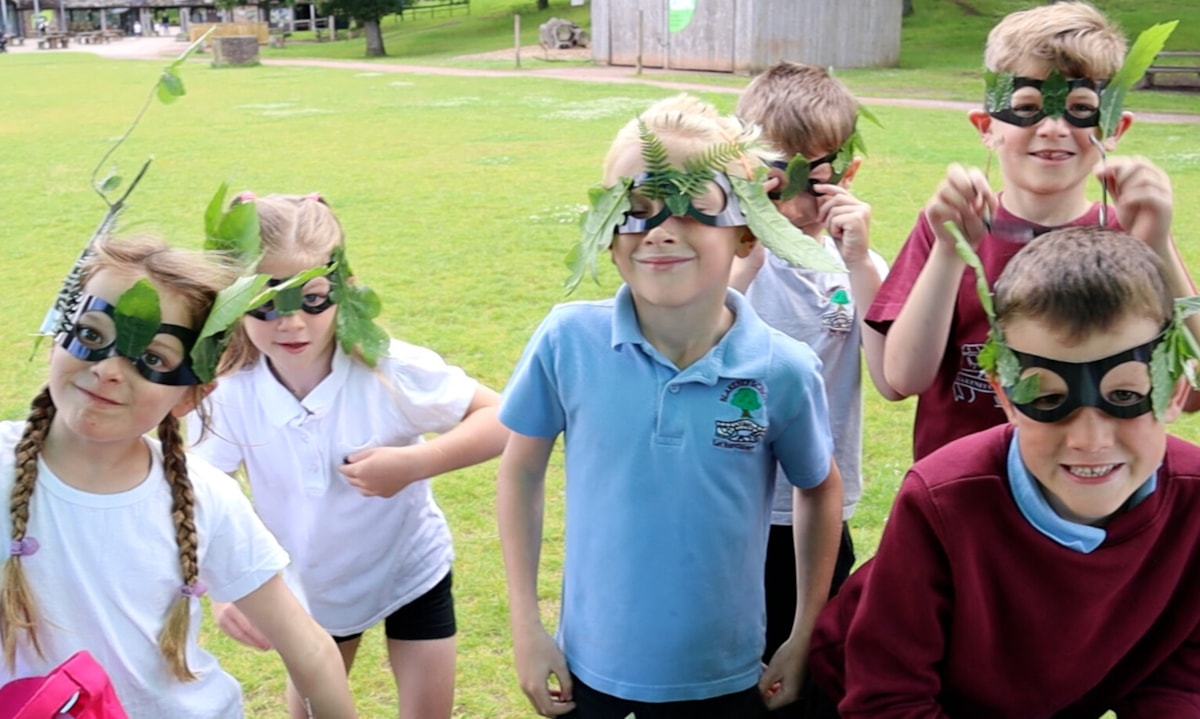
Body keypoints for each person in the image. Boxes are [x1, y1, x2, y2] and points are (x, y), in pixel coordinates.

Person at [496, 93, 844, 718]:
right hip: (586, 668)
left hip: (724, 676)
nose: (660, 229)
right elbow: (520, 471)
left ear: (746, 230)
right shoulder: (566, 342)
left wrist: (802, 632)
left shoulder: (783, 370)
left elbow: (819, 488)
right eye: (633, 209)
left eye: (696, 205)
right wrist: (527, 625)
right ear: (604, 232)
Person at [809, 226, 1200, 716]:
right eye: (1048, 398)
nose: (1090, 439)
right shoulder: (943, 498)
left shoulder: (1193, 502)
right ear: (1004, 394)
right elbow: (888, 697)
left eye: (1125, 396)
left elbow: (1181, 677)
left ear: (1176, 391)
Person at [0, 235, 356, 718]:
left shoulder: (205, 497)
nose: (108, 370)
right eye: (91, 335)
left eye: (152, 359)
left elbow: (310, 650)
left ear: (189, 395)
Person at [189, 193, 509, 719]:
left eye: (312, 299)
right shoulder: (229, 395)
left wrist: (414, 465)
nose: (291, 324)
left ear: (346, 291)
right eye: (266, 303)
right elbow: (204, 493)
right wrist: (226, 587)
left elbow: (500, 417)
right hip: (311, 590)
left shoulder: (390, 368)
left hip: (412, 570)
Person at [866, 1, 1193, 461]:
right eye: (1027, 107)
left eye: (1081, 107)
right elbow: (902, 378)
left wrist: (1156, 243)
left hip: (1091, 481)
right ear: (987, 126)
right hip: (965, 487)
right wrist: (948, 251)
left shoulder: (1133, 230)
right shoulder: (950, 228)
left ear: (1114, 127)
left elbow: (1192, 390)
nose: (1054, 127)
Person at [731, 63, 900, 678]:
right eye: (779, 181)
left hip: (816, 516)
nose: (798, 202)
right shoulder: (727, 252)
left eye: (817, 178)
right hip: (726, 508)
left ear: (846, 173)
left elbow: (891, 379)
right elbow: (705, 330)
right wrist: (751, 233)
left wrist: (858, 263)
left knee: (804, 677)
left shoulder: (856, 266)